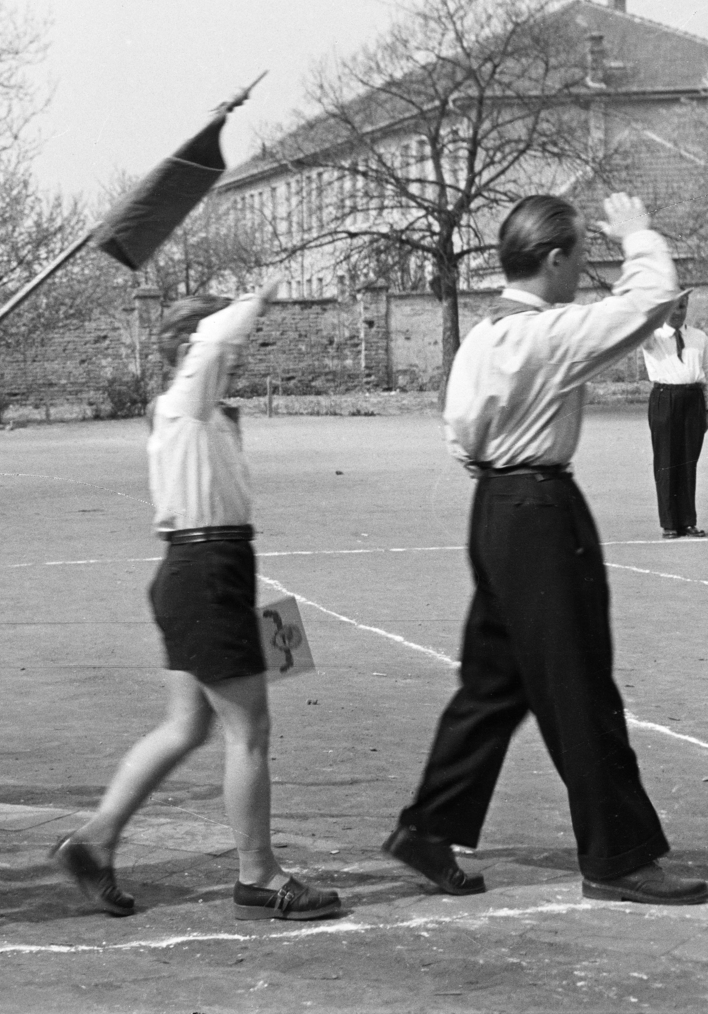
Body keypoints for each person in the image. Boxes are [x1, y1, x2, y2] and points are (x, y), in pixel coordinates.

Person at [385, 192, 708, 906]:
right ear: (555, 259)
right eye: (577, 261)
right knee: (580, 680)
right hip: (540, 510)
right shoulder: (547, 333)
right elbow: (649, 299)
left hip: (496, 507)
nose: (580, 275)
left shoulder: (483, 333)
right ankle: (617, 854)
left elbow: (461, 433)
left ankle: (431, 827)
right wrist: (636, 234)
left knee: (494, 682)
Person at [50, 284, 341, 923]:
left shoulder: (197, 410)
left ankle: (93, 843)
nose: (234, 358)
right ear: (189, 346)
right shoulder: (185, 399)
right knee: (250, 731)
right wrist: (259, 293)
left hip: (210, 568)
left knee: (188, 726)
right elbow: (215, 341)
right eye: (218, 347)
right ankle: (259, 876)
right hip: (205, 570)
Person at [640, 290, 705, 538]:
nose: (678, 313)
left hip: (693, 399)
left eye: (682, 307)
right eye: (673, 307)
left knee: (688, 461)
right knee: (666, 461)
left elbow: (704, 373)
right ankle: (669, 523)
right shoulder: (652, 337)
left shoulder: (699, 337)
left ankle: (688, 521)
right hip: (665, 399)